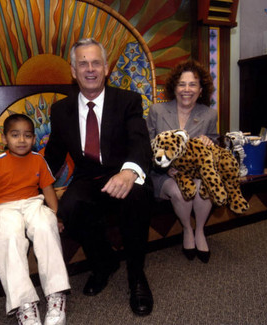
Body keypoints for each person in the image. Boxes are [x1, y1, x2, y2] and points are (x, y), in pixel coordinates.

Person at [44, 38, 154, 316]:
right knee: (69, 207)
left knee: (136, 200)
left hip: (125, 173)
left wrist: (129, 172)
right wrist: (28, 187)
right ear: (73, 70)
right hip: (90, 178)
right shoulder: (60, 110)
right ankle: (104, 262)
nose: (90, 69)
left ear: (106, 68)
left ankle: (137, 276)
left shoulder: (128, 100)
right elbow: (53, 156)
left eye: (96, 63)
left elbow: (140, 141)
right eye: (83, 63)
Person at [0, 114, 70, 325]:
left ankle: (56, 295)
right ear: (4, 139)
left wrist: (57, 216)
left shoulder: (38, 160)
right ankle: (24, 305)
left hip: (32, 203)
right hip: (4, 208)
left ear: (33, 139)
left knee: (45, 225)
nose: (21, 140)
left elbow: (48, 190)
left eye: (27, 135)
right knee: (8, 235)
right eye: (15, 135)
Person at [146, 59, 217, 263]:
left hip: (195, 173)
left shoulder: (210, 114)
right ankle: (187, 229)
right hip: (163, 174)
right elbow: (146, 147)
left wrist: (209, 143)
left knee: (205, 187)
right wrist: (166, 167)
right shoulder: (157, 111)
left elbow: (212, 142)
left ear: (201, 89)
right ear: (174, 88)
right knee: (178, 191)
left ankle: (200, 230)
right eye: (182, 84)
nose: (187, 89)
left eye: (193, 84)